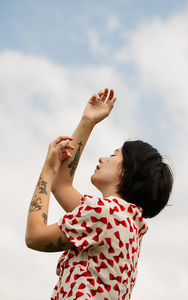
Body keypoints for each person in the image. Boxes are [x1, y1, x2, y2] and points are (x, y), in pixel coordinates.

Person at [25, 88, 173, 300]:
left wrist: (48, 170)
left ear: (127, 171)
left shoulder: (105, 213)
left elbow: (34, 237)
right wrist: (88, 121)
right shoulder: (124, 222)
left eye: (115, 154)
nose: (103, 158)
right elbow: (63, 186)